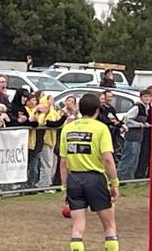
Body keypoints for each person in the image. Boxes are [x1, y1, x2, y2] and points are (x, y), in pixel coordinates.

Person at [60, 93, 119, 251]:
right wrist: (114, 183)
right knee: (109, 225)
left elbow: (63, 161)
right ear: (97, 110)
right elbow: (107, 158)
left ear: (79, 108)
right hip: (95, 178)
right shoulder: (101, 128)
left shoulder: (68, 128)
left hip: (74, 179)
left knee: (77, 227)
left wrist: (64, 187)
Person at [116, 90, 150, 180]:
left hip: (139, 136)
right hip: (132, 136)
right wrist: (138, 124)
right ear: (141, 97)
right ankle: (119, 177)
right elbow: (127, 118)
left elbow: (140, 120)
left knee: (135, 158)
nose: (147, 98)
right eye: (145, 96)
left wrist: (145, 124)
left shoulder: (146, 108)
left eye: (149, 97)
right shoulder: (137, 107)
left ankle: (129, 178)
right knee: (128, 157)